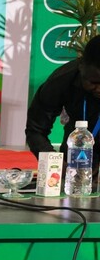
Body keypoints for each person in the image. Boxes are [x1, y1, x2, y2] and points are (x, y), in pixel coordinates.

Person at [26, 35, 100, 165]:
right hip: (75, 153)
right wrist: (55, 164)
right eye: (93, 82)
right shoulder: (61, 81)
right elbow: (36, 129)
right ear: (81, 66)